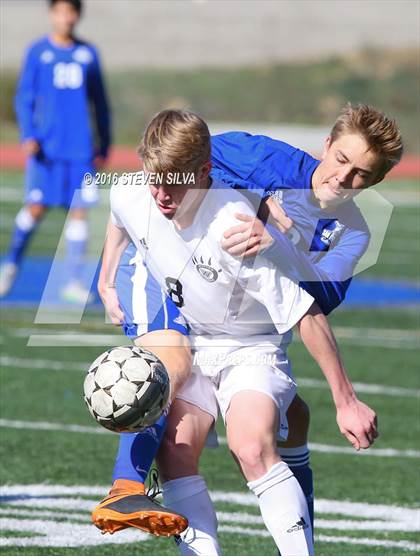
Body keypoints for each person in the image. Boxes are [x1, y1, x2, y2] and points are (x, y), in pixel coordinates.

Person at [92, 104, 402, 541]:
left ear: (376, 181)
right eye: (341, 160)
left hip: (242, 317)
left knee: (293, 421)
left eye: (362, 175)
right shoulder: (262, 157)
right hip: (169, 266)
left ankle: (300, 542)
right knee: (170, 370)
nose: (343, 178)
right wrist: (107, 274)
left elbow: (319, 300)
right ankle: (125, 484)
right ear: (327, 146)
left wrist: (277, 243)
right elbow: (175, 162)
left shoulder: (353, 233)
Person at [0, 0, 111, 303]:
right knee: (35, 209)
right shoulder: (38, 52)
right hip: (46, 151)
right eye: (61, 11)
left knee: (79, 212)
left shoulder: (88, 53)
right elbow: (24, 97)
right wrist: (28, 134)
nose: (66, 18)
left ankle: (72, 281)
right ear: (52, 15)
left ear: (78, 16)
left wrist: (105, 142)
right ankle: (10, 265)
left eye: (72, 11)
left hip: (81, 152)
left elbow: (100, 103)